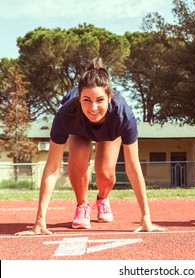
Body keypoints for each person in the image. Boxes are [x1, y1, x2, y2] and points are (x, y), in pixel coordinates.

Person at [15, 58, 166, 235]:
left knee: (104, 173)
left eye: (100, 100)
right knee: (78, 155)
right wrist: (39, 221)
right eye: (87, 100)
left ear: (110, 98)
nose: (93, 107)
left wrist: (146, 217)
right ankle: (82, 205)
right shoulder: (66, 114)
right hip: (79, 130)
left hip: (109, 132)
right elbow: (52, 168)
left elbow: (133, 167)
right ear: (79, 98)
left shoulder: (122, 115)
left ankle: (102, 199)